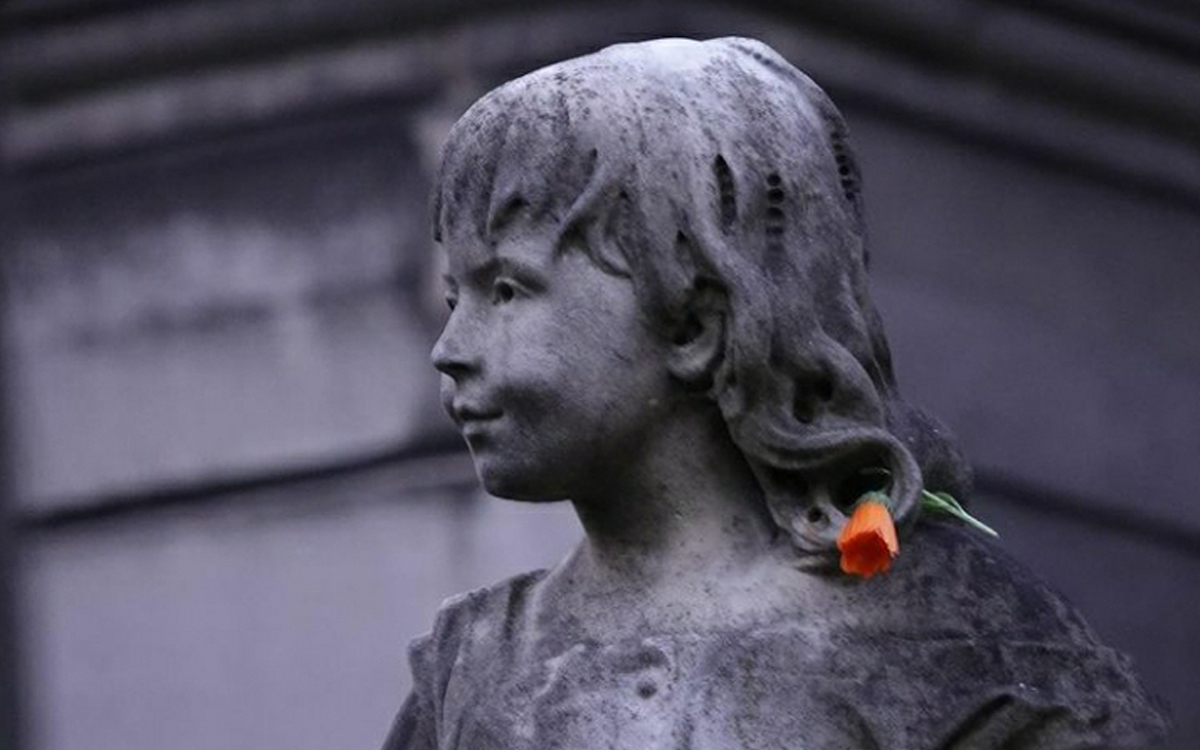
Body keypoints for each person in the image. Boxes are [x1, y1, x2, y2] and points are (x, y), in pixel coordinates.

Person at [383, 37, 1169, 749]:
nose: (450, 352)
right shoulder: (473, 669)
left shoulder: (966, 639)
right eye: (457, 300)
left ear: (694, 319)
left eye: (508, 290)